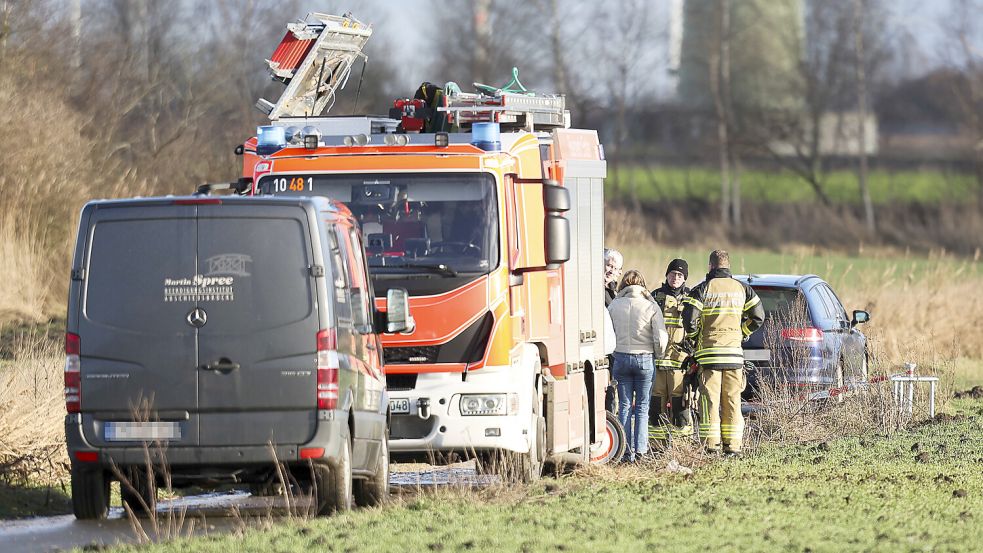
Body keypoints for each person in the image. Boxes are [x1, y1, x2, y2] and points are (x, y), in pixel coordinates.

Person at [682, 250, 765, 457]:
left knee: (710, 400)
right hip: (734, 356)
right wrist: (741, 332)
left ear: (710, 266)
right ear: (728, 266)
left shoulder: (703, 289)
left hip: (709, 356)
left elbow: (689, 320)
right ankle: (733, 446)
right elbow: (758, 317)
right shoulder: (742, 289)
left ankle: (711, 446)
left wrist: (695, 337)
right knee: (732, 400)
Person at [608, 270, 668, 462]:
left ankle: (624, 451)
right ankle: (641, 451)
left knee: (624, 406)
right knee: (642, 407)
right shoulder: (650, 306)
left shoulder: (614, 305)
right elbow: (660, 337)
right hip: (644, 359)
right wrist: (658, 354)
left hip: (621, 358)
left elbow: (608, 333)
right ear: (642, 285)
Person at [649, 258, 694, 442]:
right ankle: (656, 445)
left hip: (679, 363)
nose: (675, 277)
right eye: (673, 273)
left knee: (680, 403)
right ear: (666, 275)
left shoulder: (691, 298)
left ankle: (681, 444)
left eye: (680, 275)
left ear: (685, 278)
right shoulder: (654, 296)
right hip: (658, 362)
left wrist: (691, 354)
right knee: (656, 403)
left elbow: (695, 327)